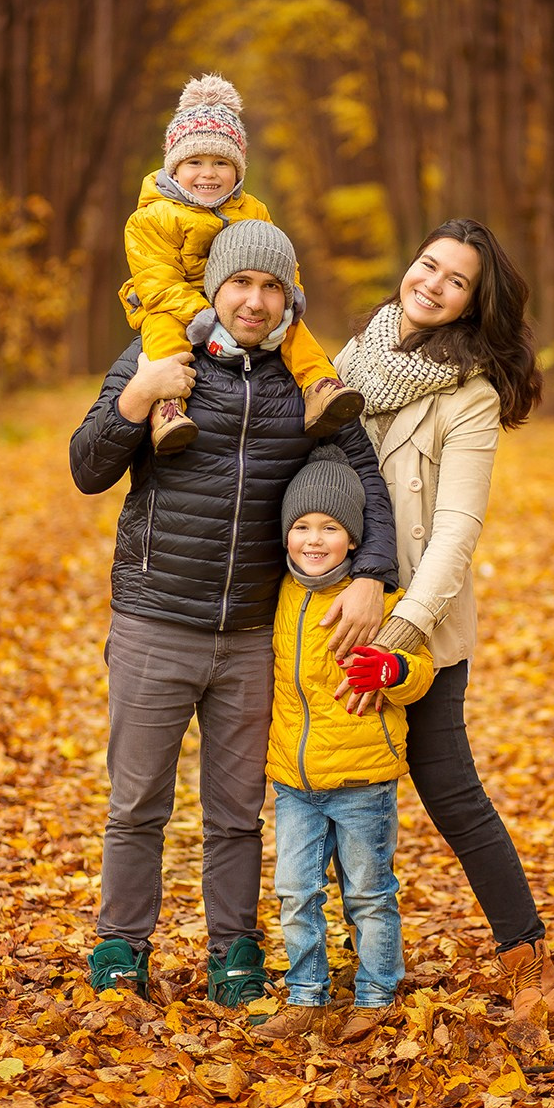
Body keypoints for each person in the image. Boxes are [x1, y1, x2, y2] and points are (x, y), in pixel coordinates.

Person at [69, 219, 398, 1006]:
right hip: (156, 617)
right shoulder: (160, 356)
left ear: (290, 296)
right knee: (137, 799)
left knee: (236, 812)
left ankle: (234, 954)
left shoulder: (307, 384)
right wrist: (138, 399)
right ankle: (122, 948)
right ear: (214, 287)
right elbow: (87, 466)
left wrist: (373, 575)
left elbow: (368, 480)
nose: (254, 300)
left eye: (270, 285)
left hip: (254, 632)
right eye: (240, 283)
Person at [334, 217, 554, 1026]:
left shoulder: (466, 398)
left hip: (418, 629)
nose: (431, 283)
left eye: (455, 280)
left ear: (474, 303)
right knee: (320, 784)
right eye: (427, 265)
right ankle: (331, 963)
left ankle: (529, 959)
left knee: (449, 788)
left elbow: (456, 533)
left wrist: (400, 632)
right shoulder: (350, 359)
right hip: (326, 612)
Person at [254, 445, 433, 1045]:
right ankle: (307, 996)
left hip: (362, 778)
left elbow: (420, 668)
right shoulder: (278, 594)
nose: (313, 538)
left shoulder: (378, 599)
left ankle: (378, 992)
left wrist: (392, 672)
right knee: (294, 892)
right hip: (295, 781)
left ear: (354, 539)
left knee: (368, 892)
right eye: (301, 526)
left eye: (329, 528)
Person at [118, 74, 362, 454]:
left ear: (238, 168)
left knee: (293, 327)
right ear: (174, 168)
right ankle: (168, 409)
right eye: (194, 162)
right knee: (162, 334)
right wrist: (201, 313)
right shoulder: (153, 217)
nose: (208, 173)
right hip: (175, 303)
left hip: (240, 296)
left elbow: (278, 255)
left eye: (221, 162)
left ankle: (319, 385)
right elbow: (156, 280)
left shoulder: (252, 209)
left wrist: (290, 289)